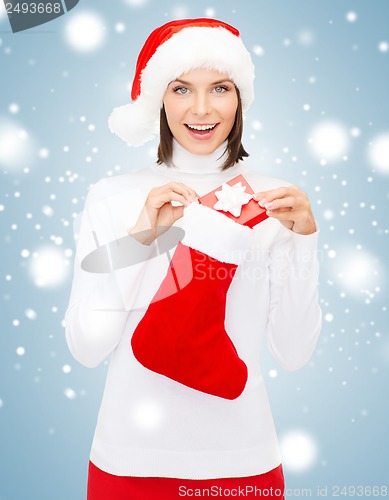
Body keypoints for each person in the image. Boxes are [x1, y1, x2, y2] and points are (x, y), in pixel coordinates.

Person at [65, 18, 322, 500]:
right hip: (127, 463)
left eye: (219, 88)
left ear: (240, 96)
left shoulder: (274, 201)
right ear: (159, 97)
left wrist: (304, 243)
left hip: (245, 464)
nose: (202, 109)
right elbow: (87, 346)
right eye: (182, 88)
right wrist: (141, 238)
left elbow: (294, 353)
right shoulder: (111, 197)